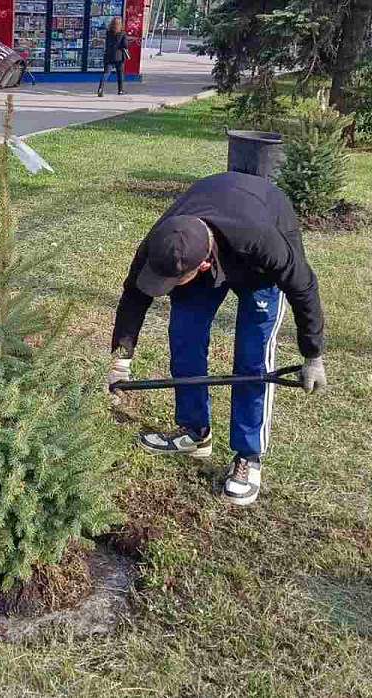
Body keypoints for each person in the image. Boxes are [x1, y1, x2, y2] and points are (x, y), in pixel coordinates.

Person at [107, 172, 328, 507]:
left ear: (205, 262)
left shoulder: (263, 240)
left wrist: (313, 355)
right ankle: (195, 432)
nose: (167, 285)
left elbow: (303, 287)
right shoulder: (163, 238)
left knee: (253, 357)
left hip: (258, 265)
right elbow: (134, 294)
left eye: (174, 280)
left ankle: (248, 456)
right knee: (185, 334)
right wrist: (121, 359)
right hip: (214, 215)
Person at [97, 18, 129, 98]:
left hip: (109, 55)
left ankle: (100, 88)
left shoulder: (108, 33)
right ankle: (120, 90)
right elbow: (125, 45)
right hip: (119, 56)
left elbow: (107, 43)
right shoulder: (122, 33)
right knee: (120, 73)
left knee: (106, 73)